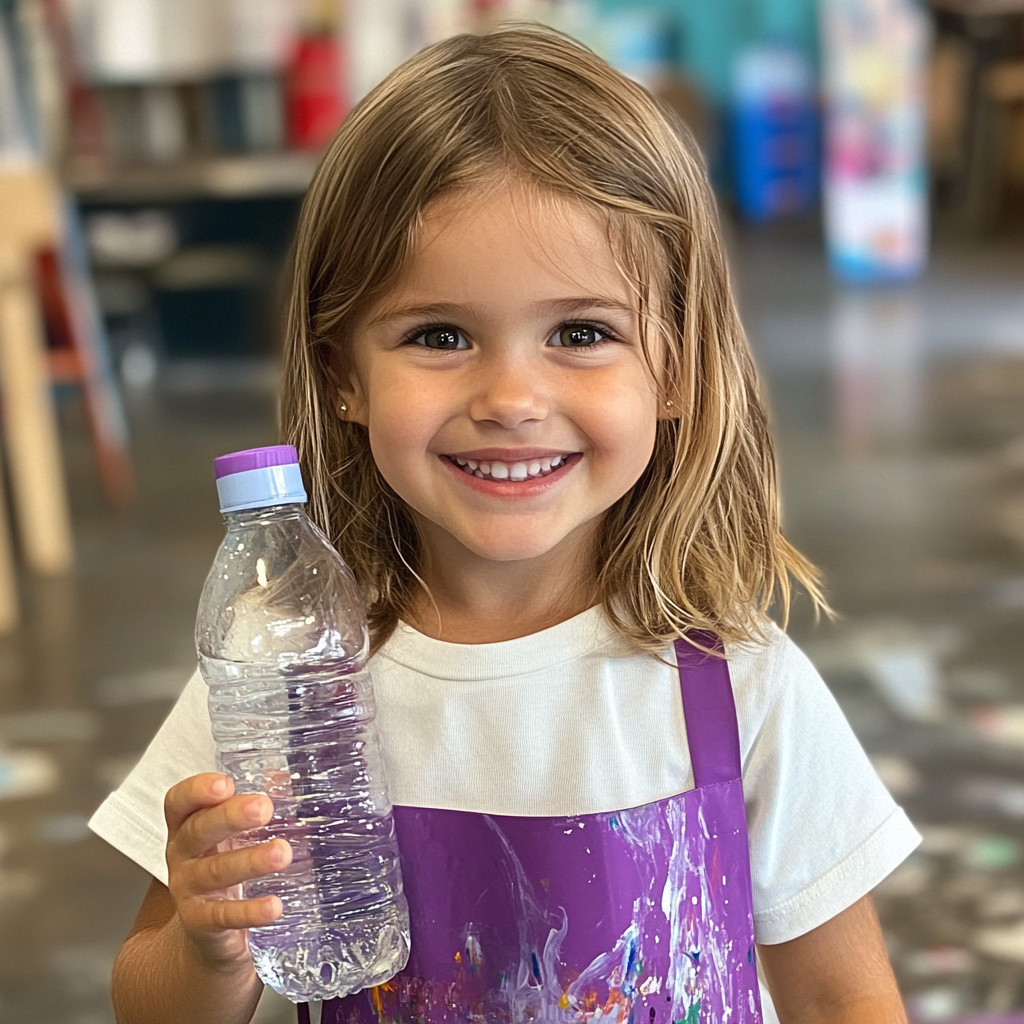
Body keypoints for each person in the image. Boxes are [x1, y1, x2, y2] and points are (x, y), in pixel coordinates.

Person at [90, 25, 920, 1024]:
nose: (512, 396)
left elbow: (845, 1000)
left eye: (580, 332)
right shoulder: (284, 685)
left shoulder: (740, 686)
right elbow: (150, 1005)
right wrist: (206, 943)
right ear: (344, 373)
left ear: (678, 368)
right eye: (439, 335)